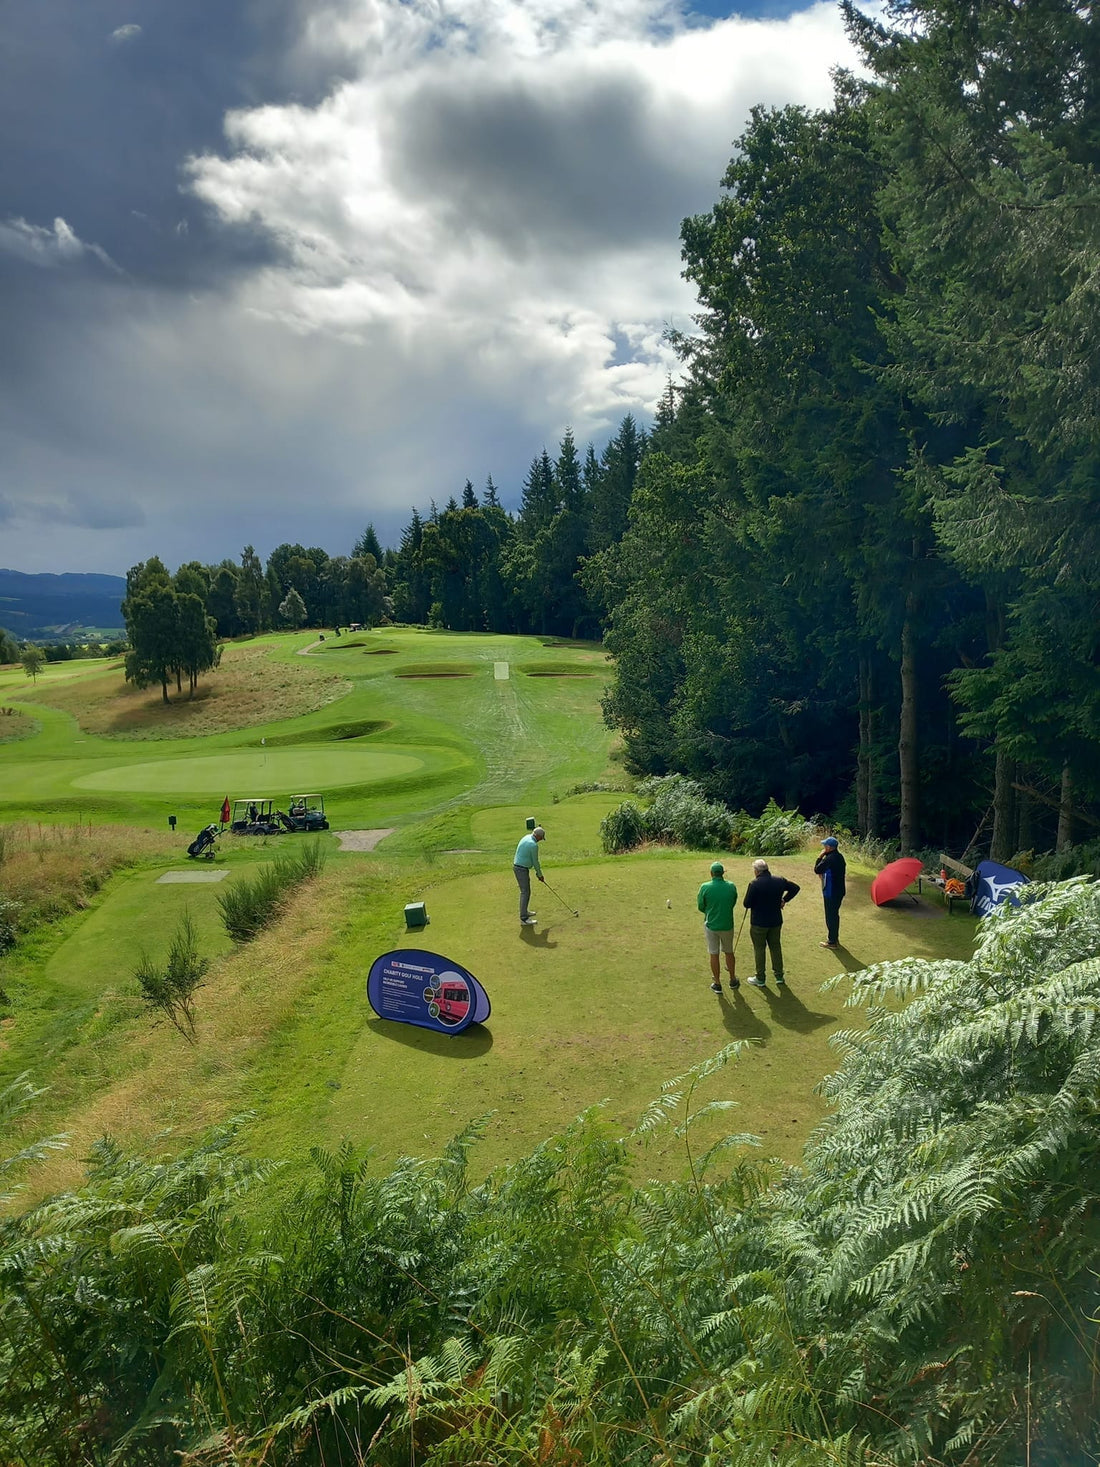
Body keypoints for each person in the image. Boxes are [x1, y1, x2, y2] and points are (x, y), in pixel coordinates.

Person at [741, 858, 800, 988]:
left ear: (756, 871)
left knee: (759, 949)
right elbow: (795, 888)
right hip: (775, 921)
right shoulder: (779, 880)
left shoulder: (754, 883)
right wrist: (784, 899)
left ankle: (760, 978)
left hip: (759, 923)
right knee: (775, 947)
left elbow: (747, 903)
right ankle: (779, 976)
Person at [697, 860, 738, 993]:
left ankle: (717, 982)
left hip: (711, 925)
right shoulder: (731, 886)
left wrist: (710, 912)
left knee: (714, 953)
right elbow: (733, 901)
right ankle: (732, 979)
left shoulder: (705, 887)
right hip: (727, 924)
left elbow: (701, 906)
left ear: (711, 873)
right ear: (723, 873)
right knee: (729, 951)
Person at [814, 835, 847, 948]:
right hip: (839, 890)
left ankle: (832, 941)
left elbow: (817, 869)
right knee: (834, 914)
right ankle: (834, 938)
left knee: (831, 916)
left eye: (825, 846)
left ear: (829, 847)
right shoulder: (840, 857)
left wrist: (820, 857)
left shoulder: (829, 859)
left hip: (831, 891)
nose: (823, 847)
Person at [513, 825, 546, 925]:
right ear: (539, 837)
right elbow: (535, 862)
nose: (540, 840)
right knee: (525, 892)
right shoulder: (533, 845)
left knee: (526, 891)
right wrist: (540, 875)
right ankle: (524, 919)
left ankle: (525, 912)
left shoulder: (526, 837)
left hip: (519, 867)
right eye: (541, 838)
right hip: (521, 869)